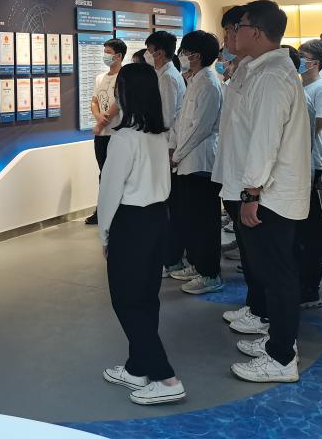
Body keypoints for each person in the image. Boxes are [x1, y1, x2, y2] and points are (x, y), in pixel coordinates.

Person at [228, 1, 311, 384]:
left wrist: (251, 193)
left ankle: (281, 358)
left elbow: (264, 139)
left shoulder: (273, 76)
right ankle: (280, 341)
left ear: (256, 32)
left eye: (239, 26)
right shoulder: (263, 70)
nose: (234, 33)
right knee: (273, 271)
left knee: (278, 274)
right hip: (270, 191)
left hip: (270, 195)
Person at [99, 62, 185, 405]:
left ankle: (166, 378)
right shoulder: (158, 134)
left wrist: (105, 235)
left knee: (127, 300)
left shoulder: (123, 139)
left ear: (124, 93)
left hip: (130, 222)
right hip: (158, 218)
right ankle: (137, 367)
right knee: (147, 297)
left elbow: (110, 193)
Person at [214, 6, 269, 334]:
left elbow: (261, 138)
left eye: (230, 31)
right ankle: (254, 305)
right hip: (235, 176)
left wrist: (251, 190)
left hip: (249, 181)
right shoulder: (242, 70)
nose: (226, 40)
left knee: (259, 254)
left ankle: (263, 313)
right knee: (249, 253)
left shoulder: (263, 74)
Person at [169, 31, 223, 295]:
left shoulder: (209, 84)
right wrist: (175, 149)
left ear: (196, 55)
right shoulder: (195, 80)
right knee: (191, 219)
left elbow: (200, 128)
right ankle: (198, 265)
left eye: (184, 52)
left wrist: (176, 154)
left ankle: (210, 274)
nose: (181, 56)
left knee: (204, 222)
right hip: (188, 162)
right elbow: (182, 122)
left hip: (201, 162)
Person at [295, 39, 322, 311]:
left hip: (316, 161)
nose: (300, 60)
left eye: (304, 57)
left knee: (312, 230)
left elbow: (319, 123)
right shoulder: (301, 86)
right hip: (302, 163)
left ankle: (310, 289)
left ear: (315, 63)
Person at [145, 31, 188, 276]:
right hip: (164, 145)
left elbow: (167, 117)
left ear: (159, 53)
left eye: (149, 51)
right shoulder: (163, 75)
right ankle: (169, 256)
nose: (147, 56)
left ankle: (172, 258)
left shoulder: (168, 78)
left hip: (167, 146)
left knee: (170, 208)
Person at [87, 38, 127, 225]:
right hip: (102, 135)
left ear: (118, 56)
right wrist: (98, 117)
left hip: (117, 133)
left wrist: (104, 121)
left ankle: (118, 211)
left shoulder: (125, 76)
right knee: (103, 172)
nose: (105, 55)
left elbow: (118, 103)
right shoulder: (100, 78)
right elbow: (94, 101)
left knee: (116, 174)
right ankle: (102, 210)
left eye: (108, 52)